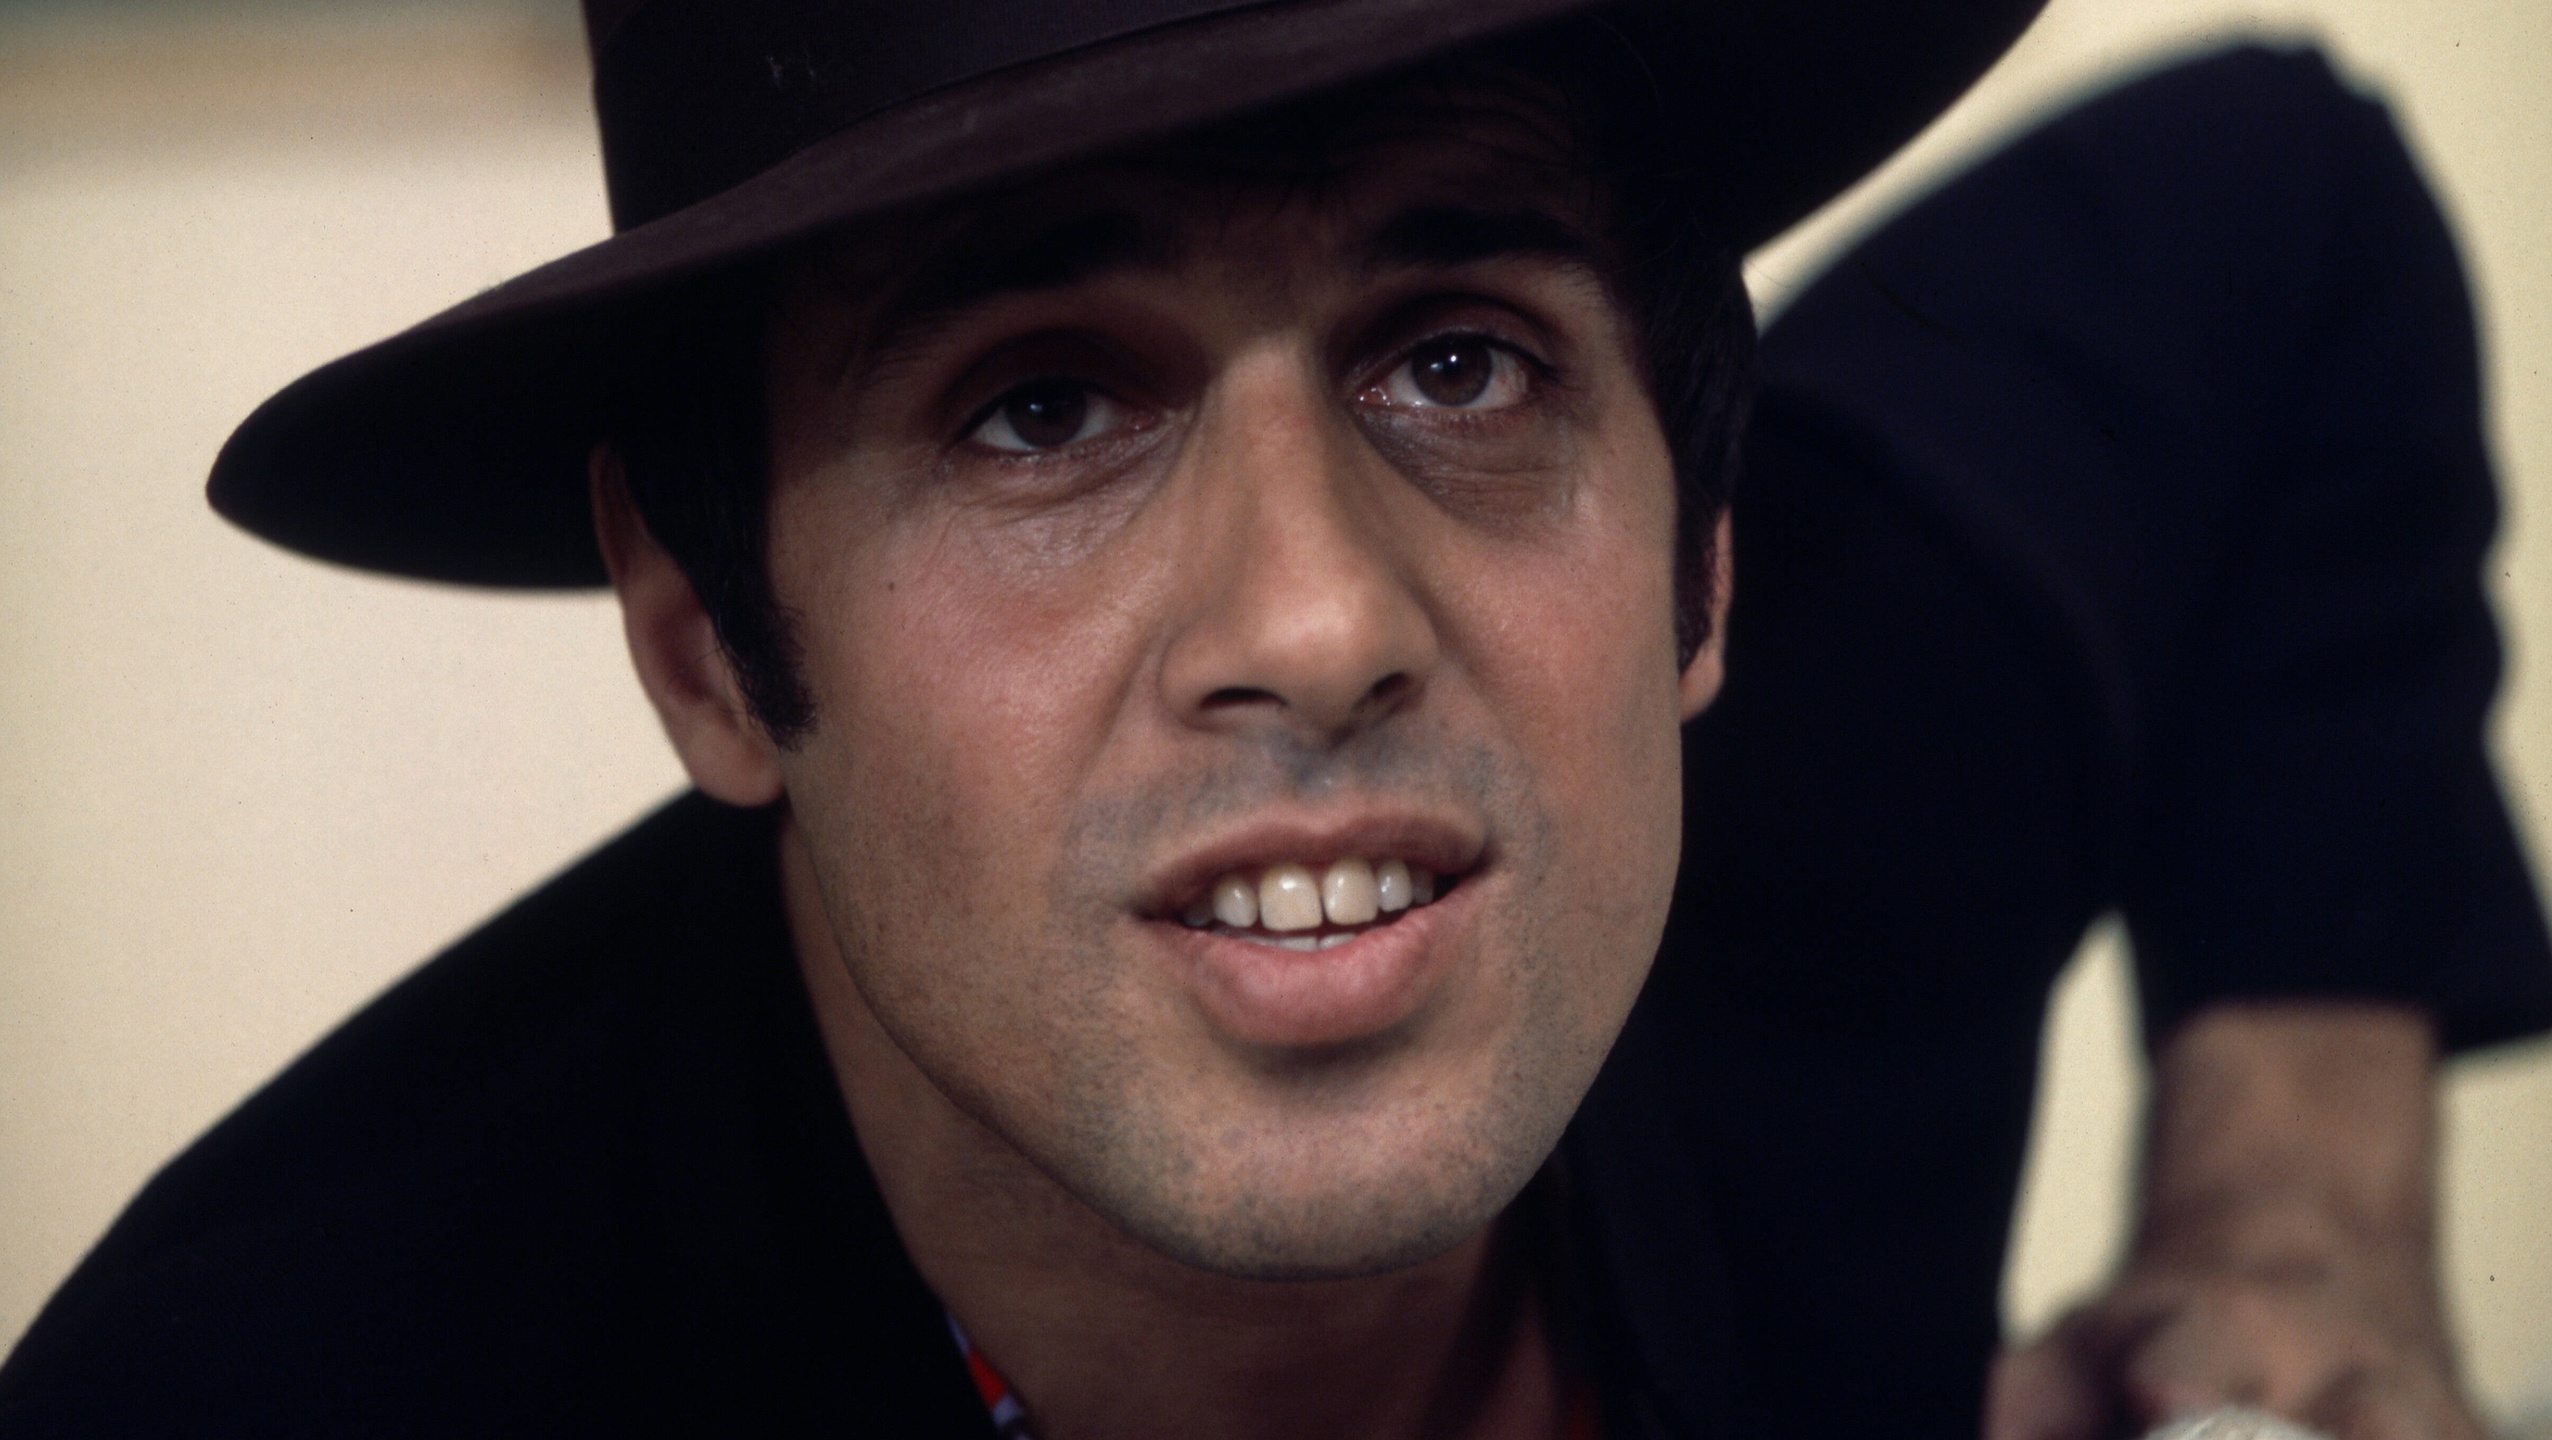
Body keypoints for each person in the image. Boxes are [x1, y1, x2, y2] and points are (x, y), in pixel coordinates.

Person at [0, 1, 2047, 1437]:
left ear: (1701, 546)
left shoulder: (1896, 780)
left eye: (1459, 366)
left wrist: (2234, 1164)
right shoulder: (273, 1392)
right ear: (705, 640)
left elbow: (2220, 212)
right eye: (1041, 409)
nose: (1319, 621)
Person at [1672, 43, 2552, 1440]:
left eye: (1457, 368)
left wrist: (2287, 1239)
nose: (1325, 630)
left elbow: (2286, 198)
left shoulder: (1800, 729)